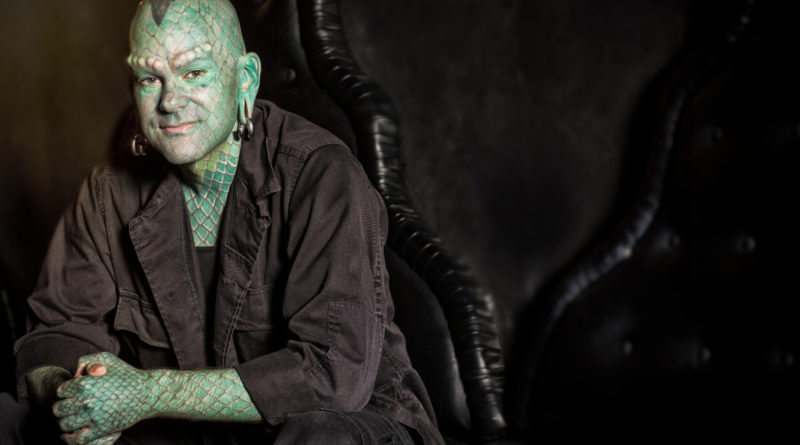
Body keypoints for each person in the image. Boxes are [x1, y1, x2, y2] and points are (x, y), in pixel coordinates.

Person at [0, 1, 443, 444]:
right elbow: (55, 332)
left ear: (245, 79)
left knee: (320, 435)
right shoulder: (107, 192)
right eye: (150, 79)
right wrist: (74, 397)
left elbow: (332, 375)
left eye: (194, 73)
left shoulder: (320, 175)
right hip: (187, 435)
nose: (170, 102)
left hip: (347, 424)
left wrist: (146, 393)